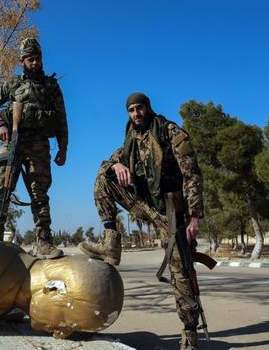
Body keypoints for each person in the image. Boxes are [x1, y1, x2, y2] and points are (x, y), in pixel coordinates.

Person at [79, 92, 204, 349]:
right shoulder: (131, 140)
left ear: (148, 108)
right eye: (131, 110)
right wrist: (116, 166)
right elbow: (105, 163)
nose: (136, 114)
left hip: (173, 210)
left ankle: (190, 333)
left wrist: (194, 217)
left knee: (181, 272)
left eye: (139, 108)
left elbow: (192, 175)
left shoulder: (171, 133)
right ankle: (111, 243)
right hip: (146, 204)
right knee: (102, 179)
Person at [0, 37, 68, 258]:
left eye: (37, 58)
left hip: (39, 144)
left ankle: (44, 240)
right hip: (12, 142)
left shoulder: (51, 86)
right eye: (30, 59)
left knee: (39, 193)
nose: (35, 63)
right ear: (22, 61)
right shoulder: (12, 85)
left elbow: (62, 118)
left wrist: (63, 148)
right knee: (1, 186)